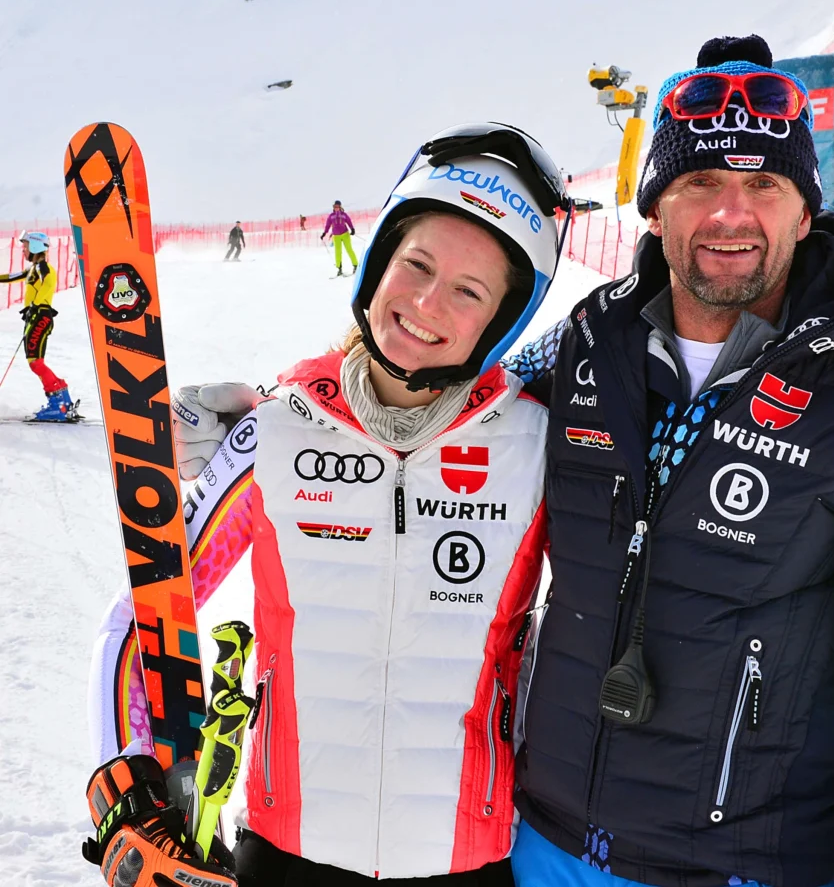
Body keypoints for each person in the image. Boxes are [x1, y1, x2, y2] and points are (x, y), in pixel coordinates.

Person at [502, 36, 834, 887]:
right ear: (654, 209)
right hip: (541, 843)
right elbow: (442, 406)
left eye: (763, 184)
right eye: (700, 184)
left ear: (804, 211)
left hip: (743, 867)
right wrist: (291, 404)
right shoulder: (583, 343)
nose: (730, 213)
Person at [84, 123, 570, 887]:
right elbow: (142, 613)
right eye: (415, 264)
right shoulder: (275, 432)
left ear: (500, 321)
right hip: (286, 857)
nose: (425, 302)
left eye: (469, 291)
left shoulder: (540, 448)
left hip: (468, 865)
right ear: (375, 265)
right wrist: (129, 786)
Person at [0, 230, 75, 420]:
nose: (23, 251)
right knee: (35, 362)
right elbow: (11, 276)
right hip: (35, 318)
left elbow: (49, 284)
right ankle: (63, 399)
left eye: (25, 247)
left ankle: (58, 405)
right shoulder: (33, 269)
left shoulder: (43, 268)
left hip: (40, 317)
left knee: (35, 363)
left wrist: (36, 306)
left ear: (34, 247)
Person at [322, 200, 359, 275]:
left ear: (340, 207)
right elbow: (327, 225)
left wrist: (352, 229)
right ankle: (339, 268)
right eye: (335, 206)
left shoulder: (344, 214)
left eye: (337, 206)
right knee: (338, 252)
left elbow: (349, 221)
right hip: (336, 236)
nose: (336, 208)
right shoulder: (331, 216)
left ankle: (355, 265)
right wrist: (324, 233)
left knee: (349, 249)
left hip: (345, 234)